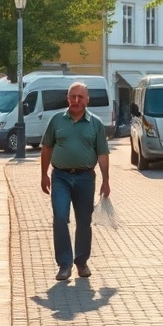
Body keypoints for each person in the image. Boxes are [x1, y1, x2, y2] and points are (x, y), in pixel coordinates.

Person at [40, 82, 110, 281]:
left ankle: (81, 262)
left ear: (87, 99)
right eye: (73, 97)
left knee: (84, 221)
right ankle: (64, 264)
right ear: (67, 98)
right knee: (60, 217)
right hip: (60, 177)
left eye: (80, 97)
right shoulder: (56, 121)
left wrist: (106, 181)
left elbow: (103, 154)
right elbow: (46, 148)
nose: (76, 101)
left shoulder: (95, 124)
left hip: (86, 178)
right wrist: (44, 174)